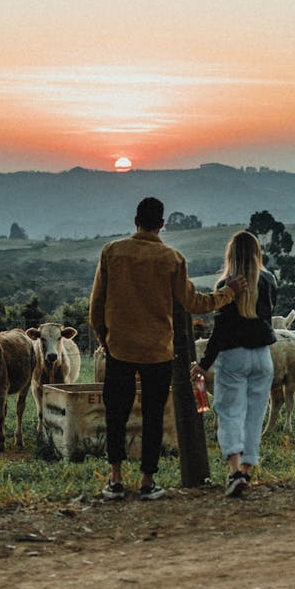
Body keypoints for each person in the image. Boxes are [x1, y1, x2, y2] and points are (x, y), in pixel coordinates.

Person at [89, 196, 245, 500]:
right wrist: (228, 293)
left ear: (135, 221)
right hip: (158, 352)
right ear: (162, 225)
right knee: (153, 417)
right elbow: (194, 304)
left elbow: (96, 307)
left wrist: (105, 340)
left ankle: (115, 478)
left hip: (119, 349)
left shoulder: (112, 252)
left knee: (116, 415)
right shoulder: (172, 259)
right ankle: (147, 482)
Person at [191, 230, 276, 498]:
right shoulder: (269, 280)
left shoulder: (225, 285)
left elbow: (220, 331)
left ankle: (235, 470)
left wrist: (203, 364)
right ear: (256, 252)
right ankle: (247, 470)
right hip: (263, 356)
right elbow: (267, 315)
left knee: (230, 412)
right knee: (255, 414)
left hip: (233, 356)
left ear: (231, 254)